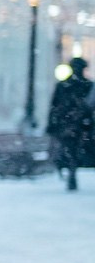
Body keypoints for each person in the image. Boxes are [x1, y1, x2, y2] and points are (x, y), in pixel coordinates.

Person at [45, 57, 94, 192]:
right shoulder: (86, 86)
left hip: (71, 124)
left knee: (70, 149)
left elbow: (55, 106)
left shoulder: (65, 86)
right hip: (79, 125)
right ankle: (71, 168)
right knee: (73, 149)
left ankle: (70, 168)